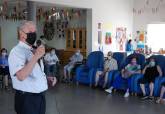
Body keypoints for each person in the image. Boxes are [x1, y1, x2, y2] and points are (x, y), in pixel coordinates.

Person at [8, 21, 49, 114]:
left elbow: (34, 71)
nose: (33, 33)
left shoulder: (32, 50)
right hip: (27, 99)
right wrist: (36, 57)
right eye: (30, 31)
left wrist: (46, 78)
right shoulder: (16, 52)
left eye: (35, 31)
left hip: (40, 97)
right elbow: (21, 76)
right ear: (21, 33)